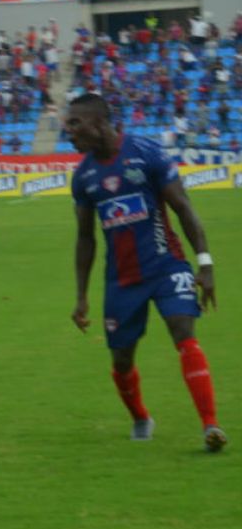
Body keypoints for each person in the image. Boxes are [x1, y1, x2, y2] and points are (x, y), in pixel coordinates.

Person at [66, 93, 227, 452]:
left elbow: (184, 208)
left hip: (166, 264)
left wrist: (205, 263)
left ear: (98, 122)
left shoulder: (146, 153)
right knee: (122, 360)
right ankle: (140, 416)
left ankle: (210, 425)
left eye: (75, 124)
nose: (69, 131)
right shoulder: (84, 178)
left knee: (183, 331)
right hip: (121, 280)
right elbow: (85, 239)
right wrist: (81, 295)